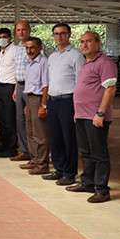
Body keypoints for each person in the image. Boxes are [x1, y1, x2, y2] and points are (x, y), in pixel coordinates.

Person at [67, 31, 117, 203]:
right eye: (82, 42)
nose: (84, 45)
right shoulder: (86, 64)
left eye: (88, 41)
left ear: (98, 43)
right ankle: (88, 182)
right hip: (81, 115)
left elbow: (110, 89)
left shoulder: (105, 63)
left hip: (95, 116)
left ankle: (102, 190)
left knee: (99, 153)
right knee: (85, 151)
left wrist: (100, 113)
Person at [44, 23, 85, 186]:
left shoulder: (76, 55)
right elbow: (49, 81)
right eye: (56, 33)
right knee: (55, 137)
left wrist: (77, 104)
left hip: (68, 100)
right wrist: (45, 102)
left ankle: (69, 172)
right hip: (53, 101)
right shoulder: (52, 57)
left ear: (69, 35)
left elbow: (80, 82)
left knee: (69, 138)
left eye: (63, 33)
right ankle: (59, 169)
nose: (59, 36)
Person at [17, 37, 50, 176]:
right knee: (30, 131)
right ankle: (34, 159)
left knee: (40, 133)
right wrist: (27, 105)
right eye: (27, 48)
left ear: (39, 47)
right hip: (29, 98)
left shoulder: (43, 62)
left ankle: (42, 164)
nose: (29, 51)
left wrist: (43, 105)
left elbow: (46, 85)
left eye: (32, 48)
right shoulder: (29, 63)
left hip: (38, 99)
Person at [0, 27, 17, 158]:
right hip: (1, 86)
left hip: (10, 86)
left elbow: (18, 71)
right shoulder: (1, 52)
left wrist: (16, 89)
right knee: (1, 118)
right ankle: (4, 144)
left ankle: (11, 147)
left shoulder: (15, 50)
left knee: (9, 119)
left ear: (10, 37)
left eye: (4, 37)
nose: (2, 39)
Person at [12, 20, 32, 162]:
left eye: (23, 30)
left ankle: (35, 153)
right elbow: (16, 69)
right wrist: (15, 89)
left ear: (29, 30)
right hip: (19, 86)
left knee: (32, 120)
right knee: (19, 119)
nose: (21, 32)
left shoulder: (34, 46)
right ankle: (23, 150)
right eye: (18, 30)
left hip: (31, 87)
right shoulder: (18, 48)